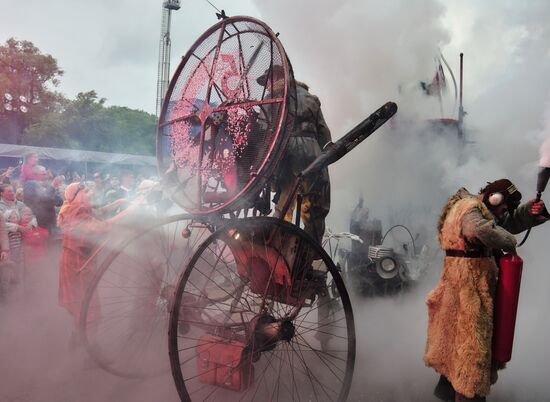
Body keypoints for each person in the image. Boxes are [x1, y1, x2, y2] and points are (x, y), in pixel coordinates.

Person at [424, 178, 550, 402]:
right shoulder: (470, 208)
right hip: (469, 291)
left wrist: (529, 213)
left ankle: (449, 393)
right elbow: (479, 229)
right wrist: (510, 242)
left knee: (458, 348)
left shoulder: (477, 208)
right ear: (494, 197)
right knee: (473, 354)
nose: (503, 212)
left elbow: (500, 223)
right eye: (503, 206)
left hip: (465, 288)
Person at [263, 66, 332, 245]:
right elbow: (324, 133)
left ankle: (280, 246)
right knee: (314, 203)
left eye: (268, 80)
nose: (267, 85)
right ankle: (310, 251)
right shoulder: (311, 98)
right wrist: (323, 155)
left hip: (285, 150)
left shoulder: (272, 98)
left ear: (277, 77)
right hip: (313, 150)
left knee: (284, 201)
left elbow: (265, 131)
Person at [57, 182, 130, 337]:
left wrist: (117, 203)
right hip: (77, 264)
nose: (90, 193)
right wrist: (129, 212)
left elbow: (98, 211)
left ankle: (78, 341)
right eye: (87, 191)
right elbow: (101, 226)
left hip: (74, 261)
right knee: (89, 309)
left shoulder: (71, 207)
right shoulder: (76, 212)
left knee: (83, 307)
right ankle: (85, 348)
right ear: (77, 195)